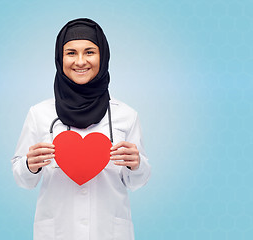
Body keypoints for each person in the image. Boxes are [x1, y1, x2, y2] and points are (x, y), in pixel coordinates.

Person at [11, 18, 151, 240]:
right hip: (57, 231)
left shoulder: (126, 115)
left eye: (89, 52)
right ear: (60, 58)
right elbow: (23, 180)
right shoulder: (39, 114)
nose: (80, 61)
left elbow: (137, 182)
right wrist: (30, 165)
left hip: (109, 232)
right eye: (71, 53)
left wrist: (137, 165)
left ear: (102, 56)